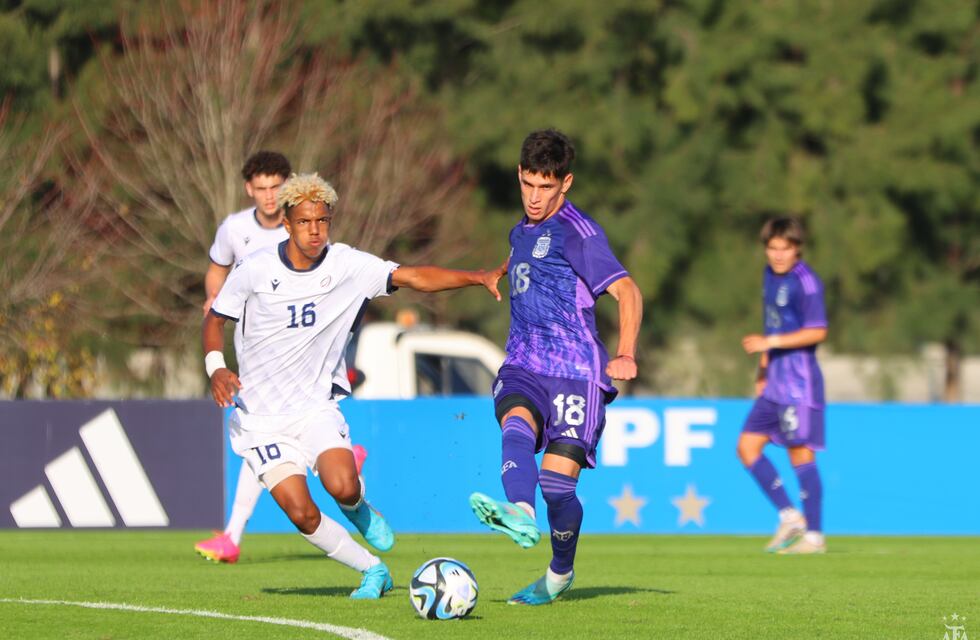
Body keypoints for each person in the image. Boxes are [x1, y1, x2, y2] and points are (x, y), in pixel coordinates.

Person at [204, 172, 503, 598]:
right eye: (305, 222)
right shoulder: (255, 270)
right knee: (301, 513)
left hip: (313, 408)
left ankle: (359, 508)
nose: (314, 230)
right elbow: (215, 319)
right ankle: (372, 570)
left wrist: (476, 277)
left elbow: (414, 276)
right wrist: (216, 367)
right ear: (286, 223)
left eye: (322, 221)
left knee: (341, 485)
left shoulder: (348, 265)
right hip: (260, 420)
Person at [468, 129, 642, 605]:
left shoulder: (580, 233)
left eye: (546, 187)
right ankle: (519, 511)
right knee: (515, 419)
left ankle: (559, 574)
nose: (535, 197)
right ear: (519, 176)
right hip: (525, 361)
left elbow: (627, 291)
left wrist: (625, 351)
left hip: (576, 370)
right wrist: (496, 272)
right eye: (528, 185)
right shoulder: (520, 229)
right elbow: (525, 256)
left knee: (557, 486)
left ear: (566, 183)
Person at [194, 152, 367, 564]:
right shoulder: (234, 230)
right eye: (261, 188)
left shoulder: (305, 227)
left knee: (270, 434)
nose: (269, 196)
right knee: (262, 436)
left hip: (301, 347)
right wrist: (213, 302)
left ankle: (235, 534)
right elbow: (218, 269)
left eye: (276, 187)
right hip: (257, 351)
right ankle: (236, 532)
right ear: (248, 190)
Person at [737, 217, 828, 555]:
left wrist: (768, 343)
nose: (777, 255)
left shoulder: (807, 283)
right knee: (747, 447)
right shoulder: (768, 276)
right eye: (772, 248)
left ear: (797, 249)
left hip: (799, 385)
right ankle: (790, 516)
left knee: (800, 455)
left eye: (784, 248)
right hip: (774, 381)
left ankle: (815, 537)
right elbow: (770, 322)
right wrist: (763, 368)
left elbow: (818, 331)